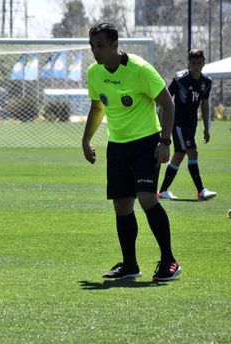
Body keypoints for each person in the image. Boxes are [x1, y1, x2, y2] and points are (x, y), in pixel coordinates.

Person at [82, 22, 182, 282]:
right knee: (122, 206)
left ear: (115, 45)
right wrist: (86, 140)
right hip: (117, 146)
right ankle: (130, 265)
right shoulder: (94, 73)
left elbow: (168, 104)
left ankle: (170, 261)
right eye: (92, 46)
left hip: (146, 143)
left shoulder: (140, 70)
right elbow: (97, 108)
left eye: (100, 45)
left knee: (147, 198)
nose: (95, 51)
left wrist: (165, 141)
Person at [158, 48, 216, 201]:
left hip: (191, 124)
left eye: (199, 62)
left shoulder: (206, 82)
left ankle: (163, 191)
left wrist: (206, 128)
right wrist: (163, 125)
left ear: (204, 63)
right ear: (189, 63)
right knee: (193, 151)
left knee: (179, 155)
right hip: (178, 122)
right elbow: (165, 100)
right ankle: (201, 191)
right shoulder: (180, 79)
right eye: (193, 62)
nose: (196, 65)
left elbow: (204, 104)